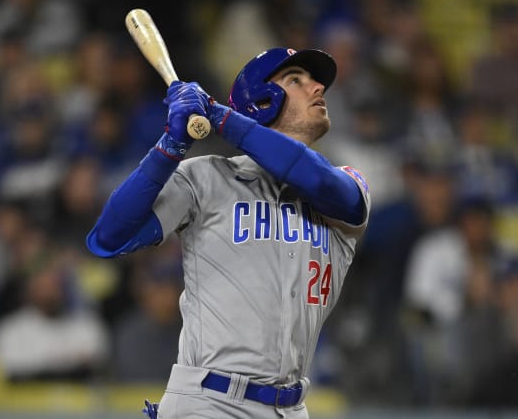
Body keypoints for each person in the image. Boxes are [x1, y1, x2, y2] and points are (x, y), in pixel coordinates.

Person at [86, 47, 370, 418]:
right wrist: (169, 148)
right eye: (296, 80)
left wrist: (220, 117)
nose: (318, 87)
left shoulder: (347, 184)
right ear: (262, 101)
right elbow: (110, 237)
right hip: (211, 401)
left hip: (293, 406)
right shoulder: (206, 177)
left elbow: (314, 177)